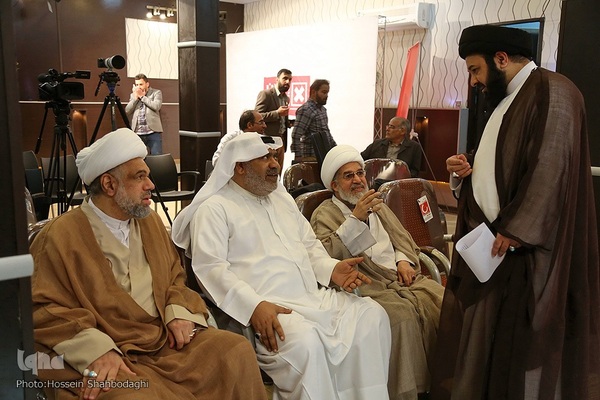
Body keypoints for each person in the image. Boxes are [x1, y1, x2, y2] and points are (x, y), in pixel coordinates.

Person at [30, 128, 267, 400]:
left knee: (234, 351)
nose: (151, 185)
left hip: (163, 338)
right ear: (109, 185)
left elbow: (175, 277)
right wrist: (95, 349)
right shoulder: (59, 236)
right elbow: (44, 308)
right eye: (140, 177)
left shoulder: (150, 221)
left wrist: (178, 311)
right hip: (110, 350)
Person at [430, 24, 600, 400]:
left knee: (521, 355)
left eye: (475, 69)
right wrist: (467, 167)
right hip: (495, 249)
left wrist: (517, 228)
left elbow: (550, 168)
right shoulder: (510, 97)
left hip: (521, 252)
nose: (473, 81)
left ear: (501, 59)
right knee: (490, 356)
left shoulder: (555, 91)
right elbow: (508, 163)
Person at [171, 133, 392, 400]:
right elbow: (211, 269)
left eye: (275, 156)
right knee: (308, 343)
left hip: (313, 297)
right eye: (264, 158)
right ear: (239, 166)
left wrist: (331, 269)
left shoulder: (281, 199)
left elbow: (309, 246)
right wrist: (254, 306)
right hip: (271, 310)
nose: (275, 164)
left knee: (373, 316)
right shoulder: (214, 208)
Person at [312, 144, 444, 400]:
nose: (357, 180)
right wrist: (356, 219)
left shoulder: (378, 205)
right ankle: (408, 391)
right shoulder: (325, 214)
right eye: (348, 176)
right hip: (366, 284)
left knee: (442, 301)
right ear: (334, 185)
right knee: (401, 316)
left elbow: (402, 239)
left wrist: (403, 261)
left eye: (360, 173)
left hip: (400, 277)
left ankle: (441, 382)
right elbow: (325, 258)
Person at [291, 79, 336, 163]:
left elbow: (326, 132)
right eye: (324, 92)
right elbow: (296, 134)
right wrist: (298, 156)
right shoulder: (306, 110)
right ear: (313, 92)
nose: (326, 96)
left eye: (327, 93)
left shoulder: (322, 110)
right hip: (310, 156)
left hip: (324, 154)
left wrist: (335, 149)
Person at [255, 68, 292, 168]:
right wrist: (277, 113)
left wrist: (288, 122)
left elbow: (281, 119)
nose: (287, 82)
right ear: (277, 79)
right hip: (268, 143)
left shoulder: (286, 98)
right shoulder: (266, 94)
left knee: (278, 173)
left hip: (281, 142)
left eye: (290, 79)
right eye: (285, 78)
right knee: (268, 173)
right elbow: (257, 117)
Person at [125, 73, 164, 154]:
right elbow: (127, 111)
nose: (138, 87)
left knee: (156, 157)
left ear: (147, 84)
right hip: (138, 132)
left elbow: (156, 106)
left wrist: (142, 97)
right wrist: (135, 98)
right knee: (138, 157)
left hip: (153, 131)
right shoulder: (133, 95)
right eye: (137, 85)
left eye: (141, 84)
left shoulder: (156, 92)